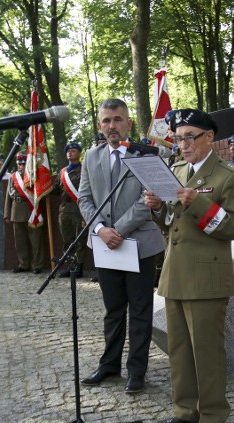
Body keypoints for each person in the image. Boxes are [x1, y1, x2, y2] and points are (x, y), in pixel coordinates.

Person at [143, 108, 234, 423]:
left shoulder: (229, 175)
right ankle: (185, 409)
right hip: (175, 274)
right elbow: (170, 225)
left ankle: (213, 416)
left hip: (207, 278)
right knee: (179, 350)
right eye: (178, 137)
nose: (182, 144)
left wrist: (199, 205)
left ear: (208, 138)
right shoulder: (175, 170)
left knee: (207, 352)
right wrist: (157, 208)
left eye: (189, 137)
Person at [78, 98, 165, 394]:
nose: (112, 125)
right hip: (105, 245)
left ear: (128, 123)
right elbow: (84, 198)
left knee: (140, 310)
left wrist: (120, 230)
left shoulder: (145, 154)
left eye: (117, 119)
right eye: (106, 121)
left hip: (139, 245)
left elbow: (148, 198)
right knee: (113, 309)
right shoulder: (91, 156)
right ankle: (109, 365)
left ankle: (136, 371)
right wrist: (102, 230)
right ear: (100, 126)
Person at [4, 153, 47, 274]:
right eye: (19, 164)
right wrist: (7, 214)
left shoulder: (33, 175)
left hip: (31, 210)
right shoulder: (13, 177)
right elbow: (8, 196)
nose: (21, 166)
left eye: (23, 164)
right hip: (16, 211)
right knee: (20, 241)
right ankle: (23, 264)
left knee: (36, 240)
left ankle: (37, 265)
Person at [54, 141, 86, 278]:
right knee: (68, 240)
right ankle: (70, 266)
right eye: (68, 151)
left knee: (80, 240)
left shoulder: (85, 170)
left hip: (79, 210)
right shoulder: (62, 173)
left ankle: (79, 267)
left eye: (73, 150)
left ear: (79, 153)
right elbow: (55, 189)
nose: (70, 153)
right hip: (65, 210)